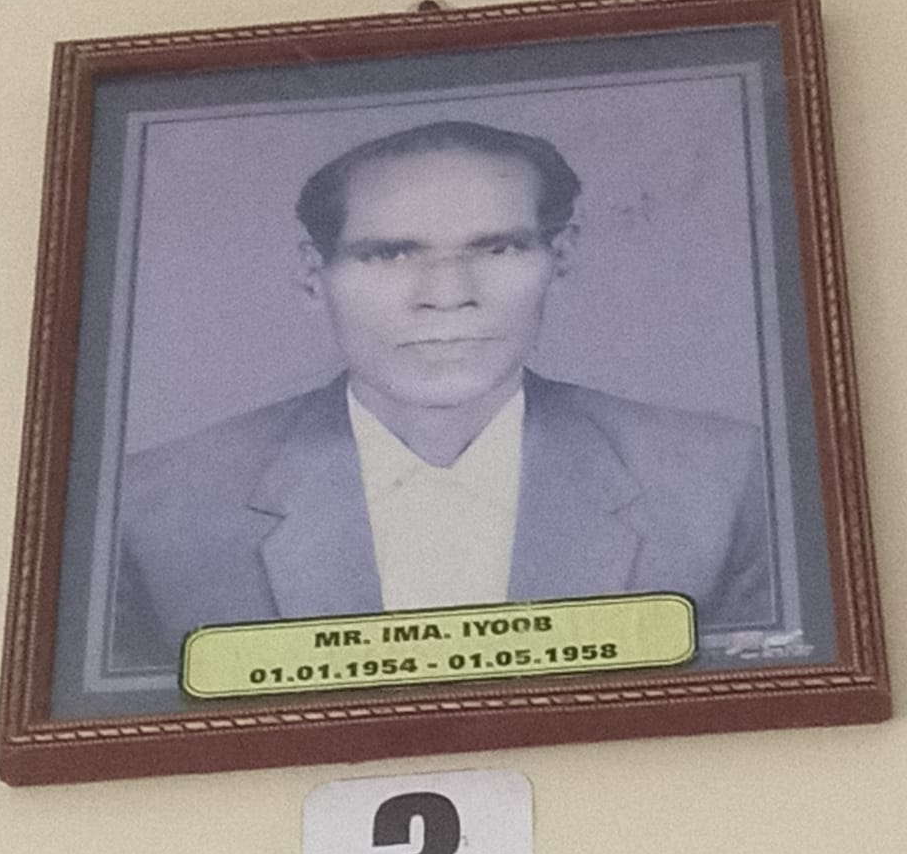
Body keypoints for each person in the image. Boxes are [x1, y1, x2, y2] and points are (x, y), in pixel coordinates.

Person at [115, 120, 773, 671]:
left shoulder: (721, 481)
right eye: (391, 255)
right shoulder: (155, 509)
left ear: (561, 256)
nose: (447, 295)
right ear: (314, 274)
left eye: (497, 248)